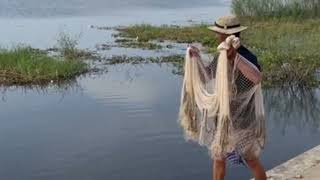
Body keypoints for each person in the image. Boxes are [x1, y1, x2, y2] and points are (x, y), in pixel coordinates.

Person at [188, 15, 267, 180]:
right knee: (218, 159)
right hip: (223, 119)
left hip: (243, 120)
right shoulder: (220, 55)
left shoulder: (246, 56)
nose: (217, 37)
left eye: (219, 34)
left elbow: (256, 77)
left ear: (227, 35)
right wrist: (195, 60)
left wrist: (234, 57)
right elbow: (208, 75)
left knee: (251, 160)